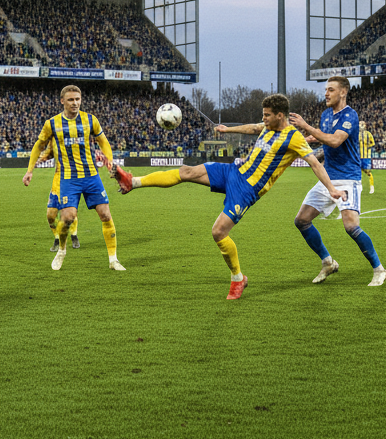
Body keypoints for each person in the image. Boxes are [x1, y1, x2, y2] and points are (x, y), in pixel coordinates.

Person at [115, 93, 344, 300]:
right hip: (234, 171)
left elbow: (314, 163)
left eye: (267, 115)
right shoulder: (266, 126)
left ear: (280, 115)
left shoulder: (293, 137)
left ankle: (238, 278)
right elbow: (254, 128)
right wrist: (228, 130)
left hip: (247, 190)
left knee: (218, 232)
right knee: (187, 171)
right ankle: (132, 182)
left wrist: (331, 188)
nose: (263, 119)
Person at [289, 77, 386, 287]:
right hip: (328, 178)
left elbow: (335, 141)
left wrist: (306, 127)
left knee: (351, 226)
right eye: (325, 89)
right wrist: (303, 144)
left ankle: (379, 270)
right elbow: (325, 143)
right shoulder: (326, 115)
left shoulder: (350, 115)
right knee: (301, 220)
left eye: (331, 89)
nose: (326, 93)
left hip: (348, 178)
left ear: (343, 92)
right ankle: (328, 262)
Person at [22, 85, 123, 271]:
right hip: (68, 178)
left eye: (77, 99)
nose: (75, 103)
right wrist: (30, 170)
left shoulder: (90, 120)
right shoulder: (52, 123)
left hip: (91, 176)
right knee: (67, 218)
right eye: (70, 99)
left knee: (106, 215)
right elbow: (38, 145)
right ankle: (61, 250)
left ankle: (113, 260)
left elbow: (103, 141)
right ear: (62, 101)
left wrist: (110, 160)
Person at [36, 139, 80, 252]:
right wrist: (40, 159)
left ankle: (74, 235)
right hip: (56, 185)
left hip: (70, 184)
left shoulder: (76, 142)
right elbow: (49, 153)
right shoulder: (55, 140)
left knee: (71, 214)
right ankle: (56, 237)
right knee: (50, 216)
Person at [359, 119, 376, 194]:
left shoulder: (368, 134)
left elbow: (373, 143)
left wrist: (368, 148)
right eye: (360, 123)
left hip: (366, 157)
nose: (361, 125)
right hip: (358, 157)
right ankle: (360, 187)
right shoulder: (356, 134)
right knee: (358, 173)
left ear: (365, 125)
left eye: (363, 123)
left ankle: (372, 187)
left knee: (368, 172)